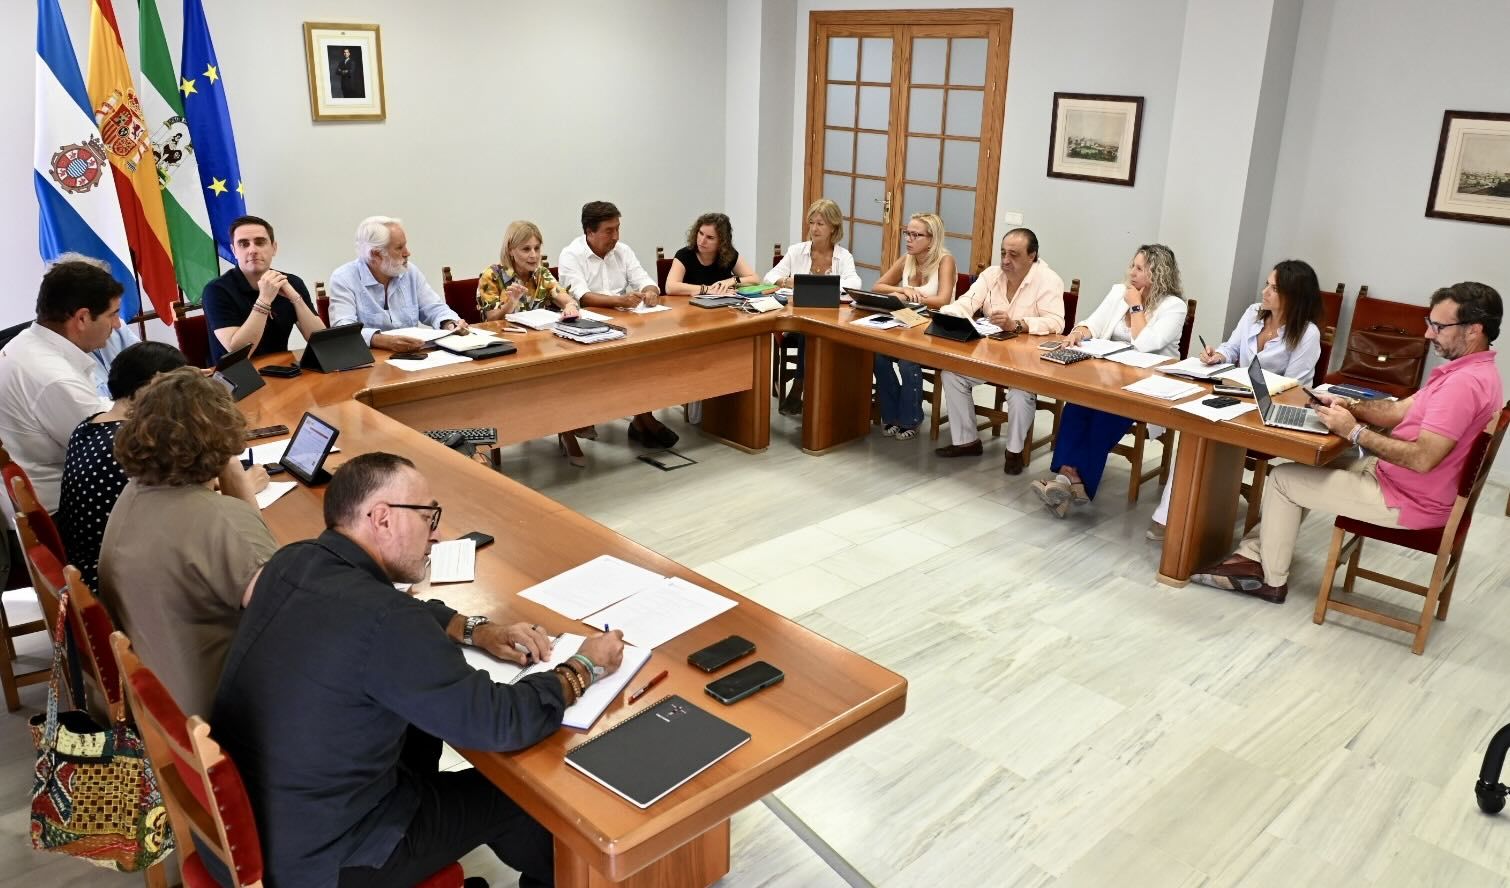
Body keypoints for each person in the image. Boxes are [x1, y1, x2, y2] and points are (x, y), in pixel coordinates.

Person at [213, 452, 626, 888]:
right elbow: (499, 721)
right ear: (382, 518)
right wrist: (582, 666)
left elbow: (399, 613)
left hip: (262, 822)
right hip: (331, 858)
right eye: (429, 517)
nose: (439, 535)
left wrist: (475, 630)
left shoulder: (293, 561)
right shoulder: (384, 619)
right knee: (520, 799)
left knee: (423, 734)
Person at [1192, 282, 1503, 604]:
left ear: (1473, 331)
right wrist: (1345, 406)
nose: (1427, 335)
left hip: (1407, 500)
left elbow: (1422, 459)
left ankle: (1269, 579)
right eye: (1429, 324)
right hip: (1401, 481)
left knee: (1283, 480)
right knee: (1313, 462)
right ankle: (1253, 554)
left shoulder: (1464, 385)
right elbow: (1397, 411)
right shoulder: (1471, 372)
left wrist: (1354, 432)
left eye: (1438, 327)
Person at [96, 367, 274, 717]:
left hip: (161, 705)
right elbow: (290, 616)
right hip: (221, 717)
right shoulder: (223, 523)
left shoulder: (133, 494)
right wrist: (233, 470)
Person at [1148, 260, 1324, 540]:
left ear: (1294, 295)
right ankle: (1173, 515)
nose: (1265, 292)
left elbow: (1296, 388)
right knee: (1193, 427)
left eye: (1274, 288)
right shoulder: (1253, 312)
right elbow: (1232, 348)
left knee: (1209, 435)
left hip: (1267, 412)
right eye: (1266, 284)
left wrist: (1258, 388)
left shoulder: (1307, 334)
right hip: (1233, 396)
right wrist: (1218, 356)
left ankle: (1191, 518)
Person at [1031, 244, 1188, 517]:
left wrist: (1136, 306)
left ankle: (1068, 481)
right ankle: (1069, 480)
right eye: (1132, 266)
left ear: (1158, 273)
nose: (1132, 273)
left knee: (1106, 415)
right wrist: (1081, 330)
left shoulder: (1173, 306)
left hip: (1147, 386)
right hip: (1108, 375)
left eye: (1139, 269)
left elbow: (1146, 345)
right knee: (1077, 406)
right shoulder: (1119, 292)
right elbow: (1094, 322)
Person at [58, 342, 187, 592]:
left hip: (86, 569)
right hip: (117, 584)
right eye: (178, 389)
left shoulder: (90, 425)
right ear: (151, 386)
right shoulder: (136, 443)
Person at [934, 227, 1064, 469]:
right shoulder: (992, 275)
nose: (1005, 260)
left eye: (1013, 255)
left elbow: (1057, 322)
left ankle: (1014, 451)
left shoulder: (1048, 280)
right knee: (952, 374)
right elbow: (967, 303)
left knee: (1019, 391)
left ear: (1032, 255)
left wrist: (1019, 325)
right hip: (989, 353)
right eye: (1003, 253)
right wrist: (948, 315)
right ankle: (967, 442)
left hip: (1026, 360)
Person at [0, 255, 118, 511]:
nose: (117, 325)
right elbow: (121, 453)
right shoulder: (54, 377)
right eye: (113, 314)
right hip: (66, 513)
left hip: (43, 500)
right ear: (83, 318)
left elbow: (96, 409)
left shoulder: (27, 342)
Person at [557, 201, 677, 448]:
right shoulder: (571, 254)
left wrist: (651, 291)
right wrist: (619, 300)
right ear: (589, 232)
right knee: (626, 362)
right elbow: (582, 296)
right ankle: (643, 420)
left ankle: (643, 417)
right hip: (588, 329)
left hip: (625, 326)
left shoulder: (622, 250)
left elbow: (644, 279)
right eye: (609, 231)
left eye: (618, 229)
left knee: (648, 355)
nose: (616, 236)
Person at [477, 221, 595, 466]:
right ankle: (561, 429)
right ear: (511, 250)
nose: (533, 255)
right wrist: (510, 303)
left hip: (539, 347)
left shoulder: (541, 273)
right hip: (507, 352)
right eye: (525, 249)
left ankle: (567, 429)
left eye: (536, 248)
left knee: (568, 371)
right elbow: (489, 320)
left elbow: (561, 294)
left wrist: (571, 305)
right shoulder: (492, 275)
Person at [764, 198, 862, 416]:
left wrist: (821, 285)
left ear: (834, 227)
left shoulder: (843, 256)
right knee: (809, 334)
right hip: (796, 321)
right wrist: (788, 281)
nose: (814, 228)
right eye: (812, 222)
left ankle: (804, 388)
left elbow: (855, 284)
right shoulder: (797, 251)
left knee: (814, 334)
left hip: (830, 321)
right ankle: (799, 387)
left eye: (821, 224)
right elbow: (770, 277)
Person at [869, 213, 957, 439]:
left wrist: (912, 298)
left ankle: (911, 419)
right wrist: (900, 290)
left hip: (935, 328)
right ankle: (891, 415)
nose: (909, 239)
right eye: (907, 233)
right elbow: (878, 286)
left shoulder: (945, 261)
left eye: (916, 235)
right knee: (879, 356)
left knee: (908, 362)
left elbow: (944, 300)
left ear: (932, 239)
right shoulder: (906, 258)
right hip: (907, 324)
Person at [328, 216, 468, 353]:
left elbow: (435, 308)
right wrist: (383, 341)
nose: (407, 253)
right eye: (399, 248)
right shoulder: (344, 278)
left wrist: (450, 323)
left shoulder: (409, 271)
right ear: (375, 255)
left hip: (413, 358)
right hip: (370, 365)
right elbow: (343, 330)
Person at [202, 215, 326, 364]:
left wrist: (295, 298)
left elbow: (321, 341)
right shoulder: (216, 290)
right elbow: (239, 352)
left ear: (274, 248)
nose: (252, 250)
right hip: (233, 377)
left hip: (281, 369)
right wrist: (264, 299)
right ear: (234, 251)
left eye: (260, 242)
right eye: (244, 244)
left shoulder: (292, 282)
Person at [664, 212, 760, 296]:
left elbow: (755, 280)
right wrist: (708, 289)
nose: (702, 241)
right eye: (701, 233)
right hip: (689, 309)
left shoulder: (729, 254)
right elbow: (670, 287)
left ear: (722, 241)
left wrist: (732, 281)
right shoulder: (684, 254)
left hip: (722, 309)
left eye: (710, 237)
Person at [90, 324, 140, 399]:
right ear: (82, 318)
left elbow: (146, 361)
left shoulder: (118, 326)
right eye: (111, 315)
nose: (118, 324)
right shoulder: (69, 359)